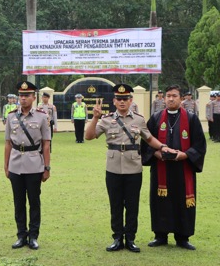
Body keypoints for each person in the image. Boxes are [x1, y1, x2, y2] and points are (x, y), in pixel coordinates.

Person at [85, 84, 175, 253]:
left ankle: (131, 239)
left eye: (125, 98)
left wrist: (163, 147)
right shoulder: (106, 119)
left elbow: (149, 139)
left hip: (134, 169)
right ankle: (118, 238)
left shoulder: (139, 120)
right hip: (113, 169)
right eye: (119, 99)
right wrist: (95, 118)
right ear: (114, 101)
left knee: (132, 205)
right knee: (116, 204)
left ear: (130, 100)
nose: (122, 102)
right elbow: (88, 136)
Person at [141, 84, 207, 250]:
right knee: (160, 200)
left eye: (174, 95)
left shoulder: (191, 118)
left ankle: (182, 237)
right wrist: (156, 154)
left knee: (182, 202)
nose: (170, 98)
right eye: (168, 95)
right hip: (161, 168)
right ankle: (160, 235)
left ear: (181, 98)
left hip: (183, 168)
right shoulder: (155, 118)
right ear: (164, 98)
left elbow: (199, 144)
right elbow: (146, 142)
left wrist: (185, 155)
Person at [4, 81, 51, 250]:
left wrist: (47, 167)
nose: (23, 99)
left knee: (34, 201)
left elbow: (46, 144)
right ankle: (21, 235)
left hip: (34, 164)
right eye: (21, 96)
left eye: (26, 96)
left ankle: (33, 236)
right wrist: (6, 165)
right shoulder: (11, 116)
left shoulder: (42, 117)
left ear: (33, 97)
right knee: (18, 202)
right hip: (15, 163)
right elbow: (8, 143)